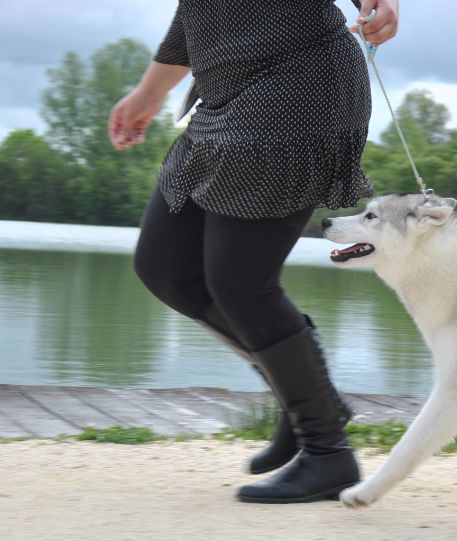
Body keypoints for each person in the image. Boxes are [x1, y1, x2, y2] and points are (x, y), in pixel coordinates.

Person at [108, 0, 400, 503]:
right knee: (166, 268)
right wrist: (148, 93)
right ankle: (313, 400)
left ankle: (327, 450)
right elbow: (197, 16)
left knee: (241, 283)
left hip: (299, 84)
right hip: (225, 98)